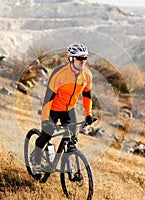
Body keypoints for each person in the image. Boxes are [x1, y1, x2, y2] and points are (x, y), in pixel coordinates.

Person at [34, 42, 96, 172]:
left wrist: (88, 114)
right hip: (53, 109)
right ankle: (36, 159)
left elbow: (86, 96)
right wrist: (46, 120)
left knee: (72, 139)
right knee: (46, 135)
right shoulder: (59, 74)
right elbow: (48, 99)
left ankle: (67, 163)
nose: (83, 61)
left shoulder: (87, 75)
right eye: (79, 58)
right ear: (71, 58)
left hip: (69, 110)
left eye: (85, 58)